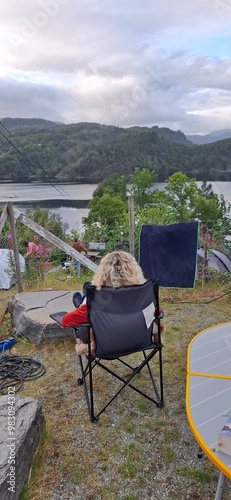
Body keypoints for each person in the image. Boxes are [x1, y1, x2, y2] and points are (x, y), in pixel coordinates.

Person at [61, 250, 164, 355]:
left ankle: (83, 300)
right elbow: (158, 312)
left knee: (88, 297)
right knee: (88, 294)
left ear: (103, 273)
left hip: (105, 344)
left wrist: (83, 309)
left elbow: (65, 321)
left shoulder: (98, 303)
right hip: (138, 341)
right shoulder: (143, 296)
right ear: (133, 271)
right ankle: (85, 297)